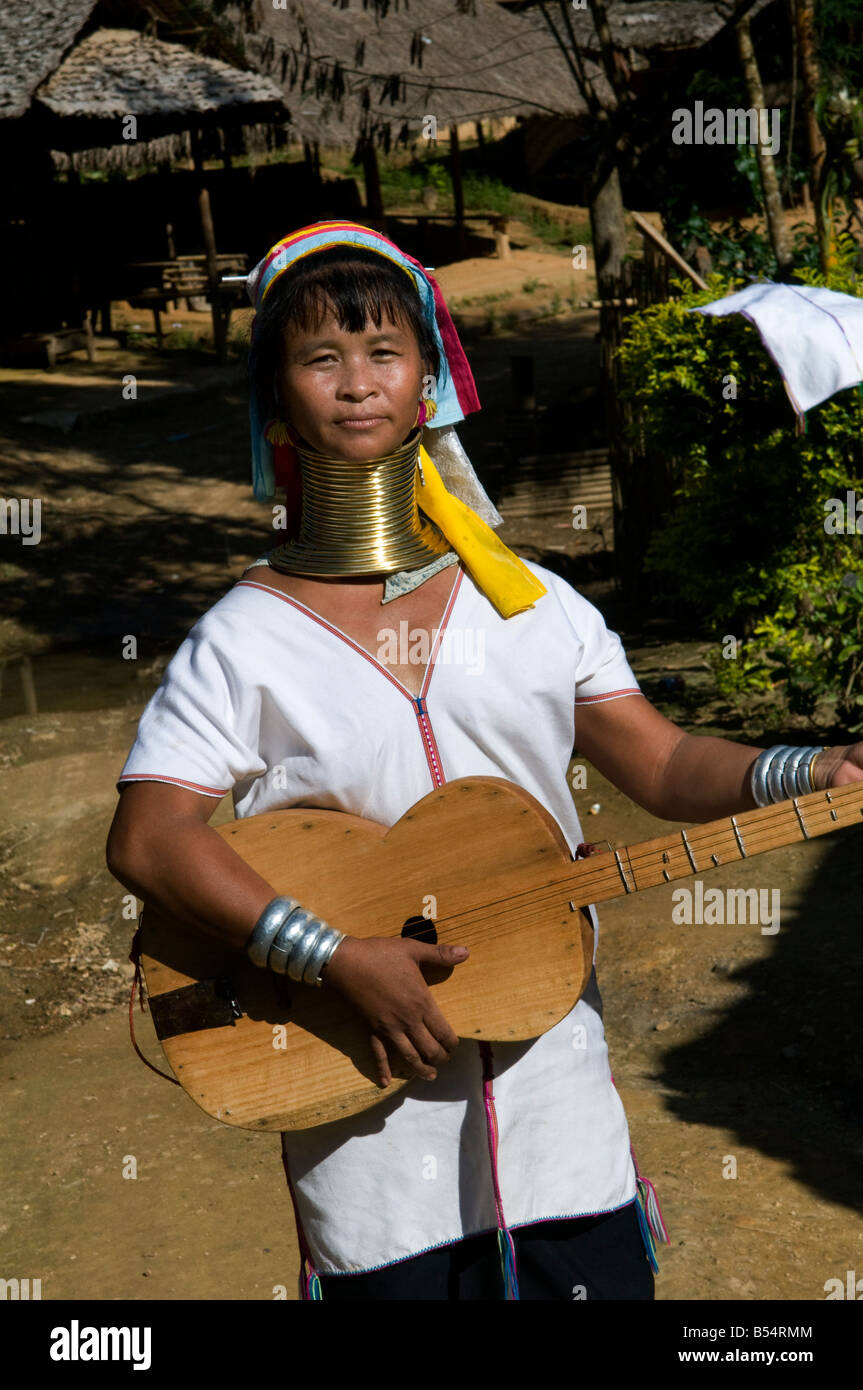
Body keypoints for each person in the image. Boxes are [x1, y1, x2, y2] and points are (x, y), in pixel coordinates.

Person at [106, 220, 863, 1302]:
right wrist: (330, 957)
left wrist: (809, 769)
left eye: (383, 354)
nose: (356, 384)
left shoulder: (535, 605)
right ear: (276, 398)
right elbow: (149, 835)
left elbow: (660, 760)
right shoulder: (243, 637)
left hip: (564, 1139)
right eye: (320, 358)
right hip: (369, 1145)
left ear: (429, 384)